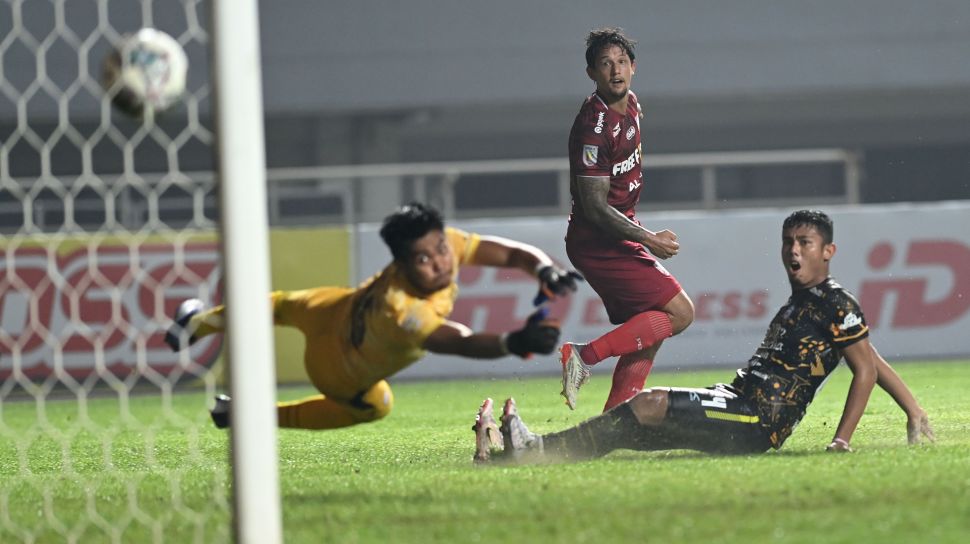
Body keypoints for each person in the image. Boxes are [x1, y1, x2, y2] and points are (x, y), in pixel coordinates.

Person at [473, 210, 935, 463]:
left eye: (805, 243)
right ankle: (528, 452)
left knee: (647, 404)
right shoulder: (804, 302)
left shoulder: (836, 301)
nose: (793, 250)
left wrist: (842, 441)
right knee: (632, 425)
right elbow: (870, 354)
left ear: (828, 251)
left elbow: (865, 368)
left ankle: (535, 443)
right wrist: (914, 411)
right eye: (788, 242)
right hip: (736, 399)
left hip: (757, 420)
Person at [166, 202, 582, 431]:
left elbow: (509, 253)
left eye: (440, 248)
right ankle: (241, 415)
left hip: (335, 307)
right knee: (377, 404)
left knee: (278, 304)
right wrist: (514, 342)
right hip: (337, 367)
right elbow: (457, 341)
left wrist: (545, 269)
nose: (440, 262)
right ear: (401, 264)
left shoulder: (444, 246)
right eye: (423, 258)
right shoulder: (400, 310)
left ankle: (196, 324)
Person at [561, 27, 695, 412]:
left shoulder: (633, 104)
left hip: (616, 236)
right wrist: (648, 238)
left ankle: (614, 421)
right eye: (605, 64)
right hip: (597, 242)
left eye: (621, 62)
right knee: (680, 313)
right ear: (592, 73)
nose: (615, 71)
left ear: (633, 67)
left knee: (650, 329)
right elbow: (595, 208)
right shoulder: (593, 129)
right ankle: (583, 356)